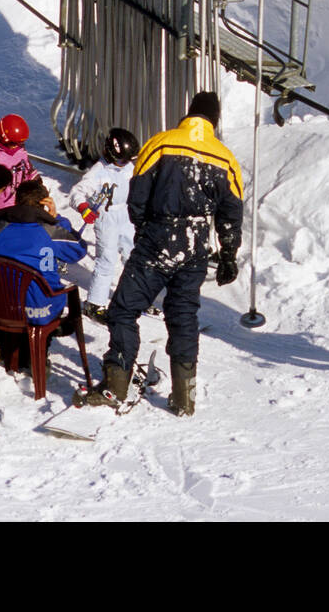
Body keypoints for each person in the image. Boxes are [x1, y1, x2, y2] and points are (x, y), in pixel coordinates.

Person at [90, 91, 243, 417]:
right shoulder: (225, 158)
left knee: (123, 308)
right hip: (196, 246)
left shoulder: (161, 143)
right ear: (214, 121)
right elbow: (232, 210)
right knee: (183, 315)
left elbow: (137, 193)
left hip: (158, 239)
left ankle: (115, 384)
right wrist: (228, 252)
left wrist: (145, 230)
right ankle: (184, 397)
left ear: (189, 114)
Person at [0, 177, 87, 358]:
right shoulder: (52, 232)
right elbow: (79, 250)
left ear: (16, 201)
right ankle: (38, 354)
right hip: (43, 311)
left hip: (2, 309)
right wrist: (58, 220)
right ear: (44, 204)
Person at [69, 127, 141, 322]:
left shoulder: (130, 167)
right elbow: (77, 192)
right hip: (106, 216)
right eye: (121, 160)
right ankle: (95, 302)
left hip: (126, 215)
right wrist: (84, 207)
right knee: (107, 259)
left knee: (134, 255)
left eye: (128, 160)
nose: (125, 164)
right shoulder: (98, 172)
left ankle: (136, 296)